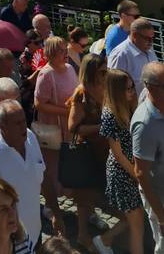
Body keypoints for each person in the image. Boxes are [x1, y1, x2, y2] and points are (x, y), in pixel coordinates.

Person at [0, 99, 44, 248]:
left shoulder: (31, 138)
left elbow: (42, 177)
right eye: (17, 123)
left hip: (35, 234)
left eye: (24, 121)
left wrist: (56, 213)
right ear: (2, 127)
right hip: (9, 241)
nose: (24, 127)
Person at [92, 68, 144, 254]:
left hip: (134, 169)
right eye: (128, 89)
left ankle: (104, 240)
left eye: (132, 87)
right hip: (123, 173)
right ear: (116, 91)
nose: (132, 91)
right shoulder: (110, 114)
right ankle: (104, 241)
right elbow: (118, 154)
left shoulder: (131, 106)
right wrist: (138, 176)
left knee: (133, 219)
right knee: (137, 225)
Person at [34, 36, 77, 238]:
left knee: (70, 163)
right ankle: (51, 205)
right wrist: (63, 111)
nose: (65, 52)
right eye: (60, 49)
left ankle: (75, 197)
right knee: (51, 166)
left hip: (69, 126)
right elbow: (39, 104)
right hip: (53, 128)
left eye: (64, 48)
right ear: (51, 53)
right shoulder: (46, 74)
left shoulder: (69, 69)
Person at [64, 53, 108, 250]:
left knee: (94, 192)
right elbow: (73, 127)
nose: (105, 74)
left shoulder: (105, 88)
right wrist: (102, 127)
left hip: (105, 150)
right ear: (91, 72)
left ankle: (93, 220)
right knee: (84, 196)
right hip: (87, 152)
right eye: (102, 72)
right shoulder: (81, 94)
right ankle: (82, 235)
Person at [132, 61, 164, 253]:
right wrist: (162, 218)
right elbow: (141, 174)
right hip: (162, 200)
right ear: (150, 88)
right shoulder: (145, 125)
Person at [108, 17, 157, 96]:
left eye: (152, 38)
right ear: (134, 35)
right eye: (147, 38)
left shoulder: (149, 48)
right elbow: (114, 87)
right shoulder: (120, 54)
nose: (151, 42)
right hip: (132, 106)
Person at [18, 30, 42, 125]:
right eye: (36, 43)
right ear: (28, 43)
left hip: (37, 94)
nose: (39, 45)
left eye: (40, 42)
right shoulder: (24, 58)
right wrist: (39, 71)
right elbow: (26, 83)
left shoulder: (38, 55)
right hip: (28, 98)